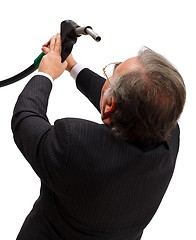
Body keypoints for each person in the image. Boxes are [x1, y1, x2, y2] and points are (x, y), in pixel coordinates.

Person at [11, 33, 186, 240]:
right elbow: (128, 105)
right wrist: (72, 66)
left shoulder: (72, 144)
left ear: (109, 106)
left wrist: (46, 74)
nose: (106, 78)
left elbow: (25, 119)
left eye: (111, 74)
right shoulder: (169, 137)